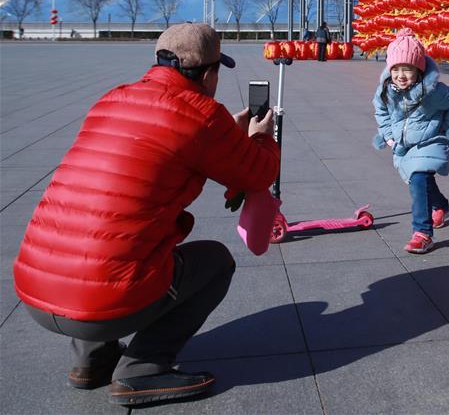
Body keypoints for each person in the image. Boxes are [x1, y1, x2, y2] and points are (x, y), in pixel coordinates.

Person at [13, 23, 280, 407]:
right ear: (209, 74)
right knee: (215, 262)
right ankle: (142, 370)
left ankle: (91, 360)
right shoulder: (203, 113)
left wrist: (228, 136)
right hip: (101, 304)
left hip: (36, 290)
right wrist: (259, 138)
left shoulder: (113, 98)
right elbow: (258, 173)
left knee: (100, 229)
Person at [372, 29, 449, 254]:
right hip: (403, 144)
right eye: (396, 69)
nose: (401, 75)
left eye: (406, 69)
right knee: (420, 180)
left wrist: (448, 125)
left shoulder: (434, 92)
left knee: (418, 177)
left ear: (419, 69)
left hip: (431, 139)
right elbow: (381, 110)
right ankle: (442, 206)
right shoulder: (386, 91)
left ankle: (422, 232)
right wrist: (388, 134)